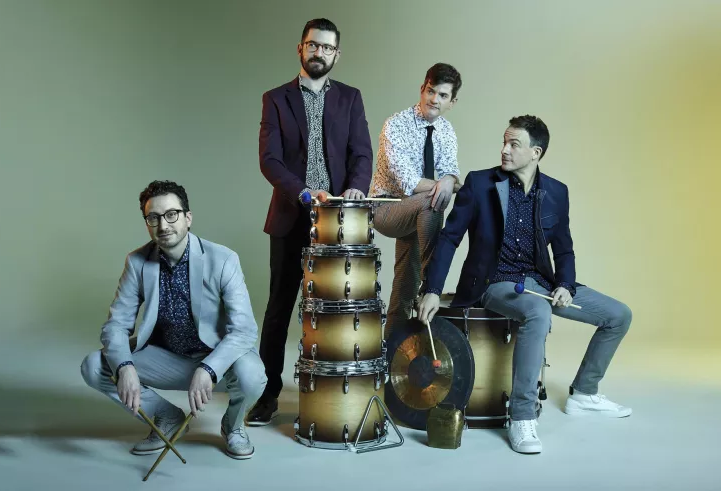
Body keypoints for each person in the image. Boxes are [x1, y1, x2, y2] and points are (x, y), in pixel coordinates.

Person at [418, 116, 633, 454]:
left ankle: (585, 393)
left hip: (542, 282)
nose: (504, 149)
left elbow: (563, 248)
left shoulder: (556, 192)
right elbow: (449, 238)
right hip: (495, 281)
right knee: (537, 312)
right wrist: (432, 288)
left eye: (513, 144)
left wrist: (563, 284)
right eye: (504, 142)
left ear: (536, 152)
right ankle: (521, 417)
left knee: (619, 315)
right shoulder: (479, 184)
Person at [80, 180, 266, 460]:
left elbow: (243, 330)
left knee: (252, 375)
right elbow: (116, 325)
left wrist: (209, 368)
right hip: (166, 359)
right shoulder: (137, 262)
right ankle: (167, 418)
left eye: (171, 215)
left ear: (187, 218)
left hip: (216, 361)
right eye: (153, 218)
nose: (163, 225)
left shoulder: (224, 259)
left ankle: (233, 426)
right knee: (95, 366)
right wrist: (126, 367)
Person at [250, 18, 373, 426]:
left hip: (338, 219)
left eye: (327, 47)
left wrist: (355, 189)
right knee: (279, 308)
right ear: (300, 48)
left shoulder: (351, 98)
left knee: (336, 309)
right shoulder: (276, 98)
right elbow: (269, 160)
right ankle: (267, 394)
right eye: (313, 45)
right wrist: (304, 192)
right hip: (291, 214)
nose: (319, 52)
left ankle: (329, 390)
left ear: (337, 54)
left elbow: (362, 154)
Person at [369, 62, 463, 338]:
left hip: (420, 216)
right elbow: (409, 183)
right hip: (386, 209)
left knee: (404, 289)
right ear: (422, 89)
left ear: (452, 102)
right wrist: (447, 183)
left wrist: (451, 180)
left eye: (443, 95)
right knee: (432, 199)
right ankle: (432, 282)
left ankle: (390, 359)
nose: (434, 100)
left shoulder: (447, 131)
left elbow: (452, 174)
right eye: (431, 91)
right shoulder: (395, 125)